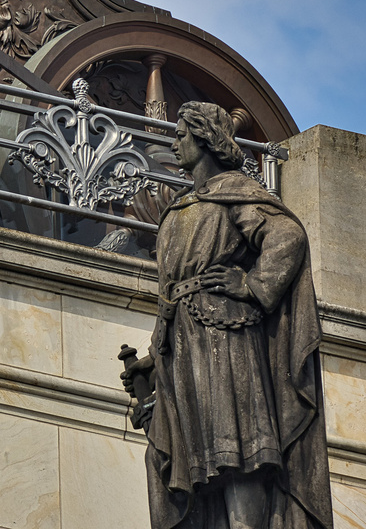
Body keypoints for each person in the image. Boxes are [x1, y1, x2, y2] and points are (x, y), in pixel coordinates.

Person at [122, 103, 333, 529]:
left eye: (181, 135)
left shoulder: (235, 192)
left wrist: (253, 286)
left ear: (204, 138)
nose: (173, 142)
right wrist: (153, 354)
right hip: (183, 343)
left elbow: (287, 235)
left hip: (227, 336)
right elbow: (170, 293)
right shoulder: (181, 207)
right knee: (194, 455)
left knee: (236, 446)